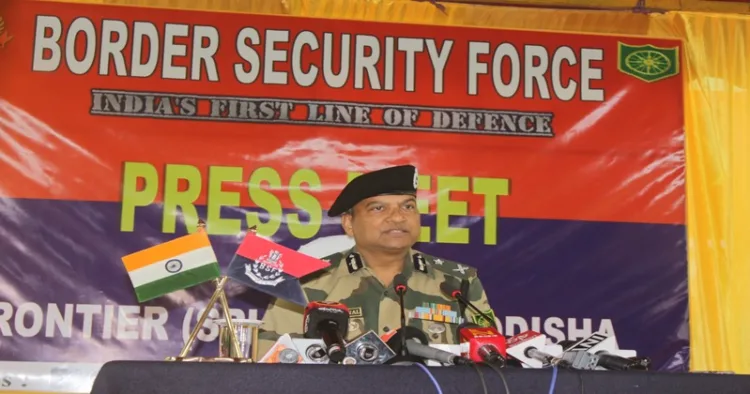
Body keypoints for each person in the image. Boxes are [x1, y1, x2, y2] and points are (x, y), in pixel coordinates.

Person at [256, 164, 497, 358]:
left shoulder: (458, 284)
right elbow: (271, 365)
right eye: (379, 208)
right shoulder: (305, 285)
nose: (398, 217)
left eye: (408, 206)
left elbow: (491, 360)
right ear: (349, 223)